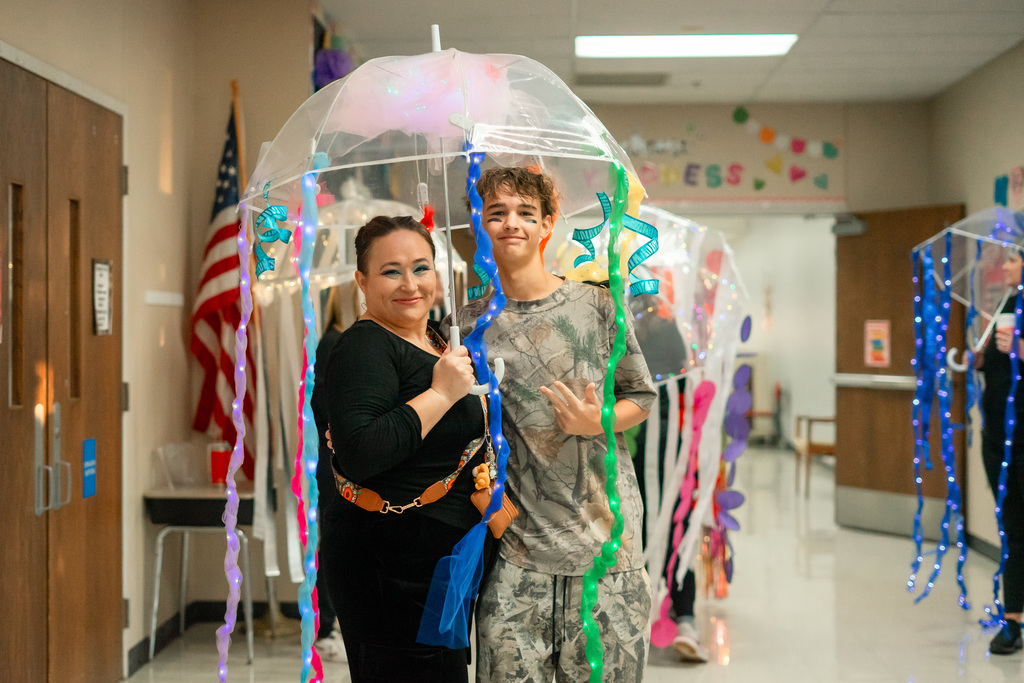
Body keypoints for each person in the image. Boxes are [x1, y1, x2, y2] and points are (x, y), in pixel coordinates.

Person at [449, 167, 657, 681]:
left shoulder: (598, 305)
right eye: (495, 213)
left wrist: (598, 421)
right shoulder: (469, 324)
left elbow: (641, 397)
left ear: (548, 224)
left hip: (607, 554)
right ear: (480, 224)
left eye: (524, 212)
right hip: (518, 555)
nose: (510, 223)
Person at [320, 215, 486, 682]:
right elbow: (361, 452)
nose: (410, 284)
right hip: (387, 565)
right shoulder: (364, 345)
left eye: (421, 267)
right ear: (362, 281)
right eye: (391, 271)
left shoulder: (438, 339)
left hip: (440, 558)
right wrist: (441, 394)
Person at [979, 249, 1024, 655]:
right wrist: (980, 356)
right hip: (998, 437)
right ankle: (1013, 620)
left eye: (1013, 259)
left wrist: (1021, 348)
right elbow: (995, 364)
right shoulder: (1007, 304)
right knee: (1012, 527)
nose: (1005, 267)